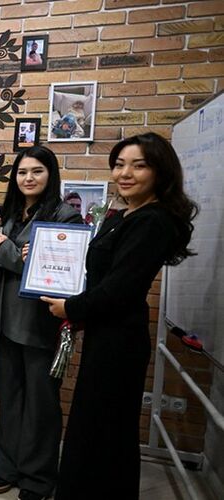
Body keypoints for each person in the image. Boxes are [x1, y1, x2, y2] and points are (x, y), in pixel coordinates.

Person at [41, 133, 197, 499]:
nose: (125, 173)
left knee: (105, 431)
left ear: (160, 171)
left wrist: (70, 308)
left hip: (120, 340)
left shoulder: (153, 221)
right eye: (119, 164)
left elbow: (118, 290)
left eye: (138, 166)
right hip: (104, 334)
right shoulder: (125, 214)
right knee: (95, 428)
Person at [0, 146, 83, 500]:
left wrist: (6, 249)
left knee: (41, 404)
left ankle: (38, 478)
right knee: (10, 400)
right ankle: (7, 467)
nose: (28, 178)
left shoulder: (66, 217)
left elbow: (56, 273)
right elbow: (9, 257)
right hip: (3, 324)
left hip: (39, 325)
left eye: (37, 171)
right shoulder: (10, 213)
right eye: (22, 172)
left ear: (50, 175)